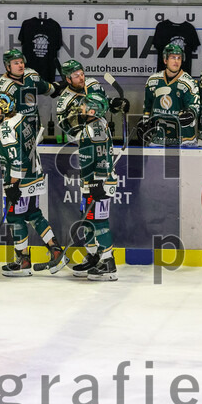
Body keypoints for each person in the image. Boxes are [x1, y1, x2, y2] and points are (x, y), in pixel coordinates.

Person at [0, 93, 68, 277]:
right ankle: (56, 250)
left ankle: (23, 260)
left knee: (15, 218)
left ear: (4, 108)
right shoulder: (23, 119)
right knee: (34, 214)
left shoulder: (6, 128)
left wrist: (12, 184)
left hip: (20, 181)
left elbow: (16, 158)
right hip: (35, 176)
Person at [71, 93, 119, 281]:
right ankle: (94, 256)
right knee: (88, 221)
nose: (81, 108)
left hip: (99, 183)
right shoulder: (93, 125)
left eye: (84, 106)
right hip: (91, 182)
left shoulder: (96, 128)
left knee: (99, 223)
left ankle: (108, 262)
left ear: (93, 109)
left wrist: (96, 183)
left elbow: (100, 159)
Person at [0, 48, 62, 139]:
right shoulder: (2, 87)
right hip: (16, 135)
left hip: (35, 131)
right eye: (16, 63)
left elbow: (48, 89)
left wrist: (62, 86)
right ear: (8, 66)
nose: (20, 66)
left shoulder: (31, 75)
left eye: (21, 62)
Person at [140, 43, 200, 147]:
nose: (176, 61)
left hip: (183, 140)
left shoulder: (189, 82)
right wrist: (145, 122)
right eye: (173, 58)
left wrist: (191, 112)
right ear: (165, 60)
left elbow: (195, 105)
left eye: (179, 58)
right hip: (158, 139)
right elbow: (147, 107)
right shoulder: (153, 81)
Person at [53, 60, 116, 144]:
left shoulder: (93, 84)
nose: (81, 78)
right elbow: (66, 128)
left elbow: (105, 103)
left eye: (82, 74)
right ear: (68, 79)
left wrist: (114, 104)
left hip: (102, 130)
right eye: (76, 76)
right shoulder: (64, 101)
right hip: (80, 139)